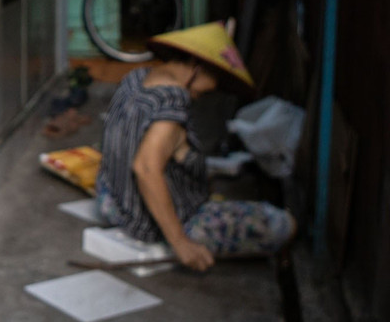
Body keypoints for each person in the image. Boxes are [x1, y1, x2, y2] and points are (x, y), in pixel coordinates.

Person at [95, 22, 296, 272]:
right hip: (147, 220)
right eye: (215, 77)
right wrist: (180, 242)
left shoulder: (135, 78)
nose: (211, 90)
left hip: (111, 202)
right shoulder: (172, 102)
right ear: (196, 66)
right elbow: (145, 167)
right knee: (278, 223)